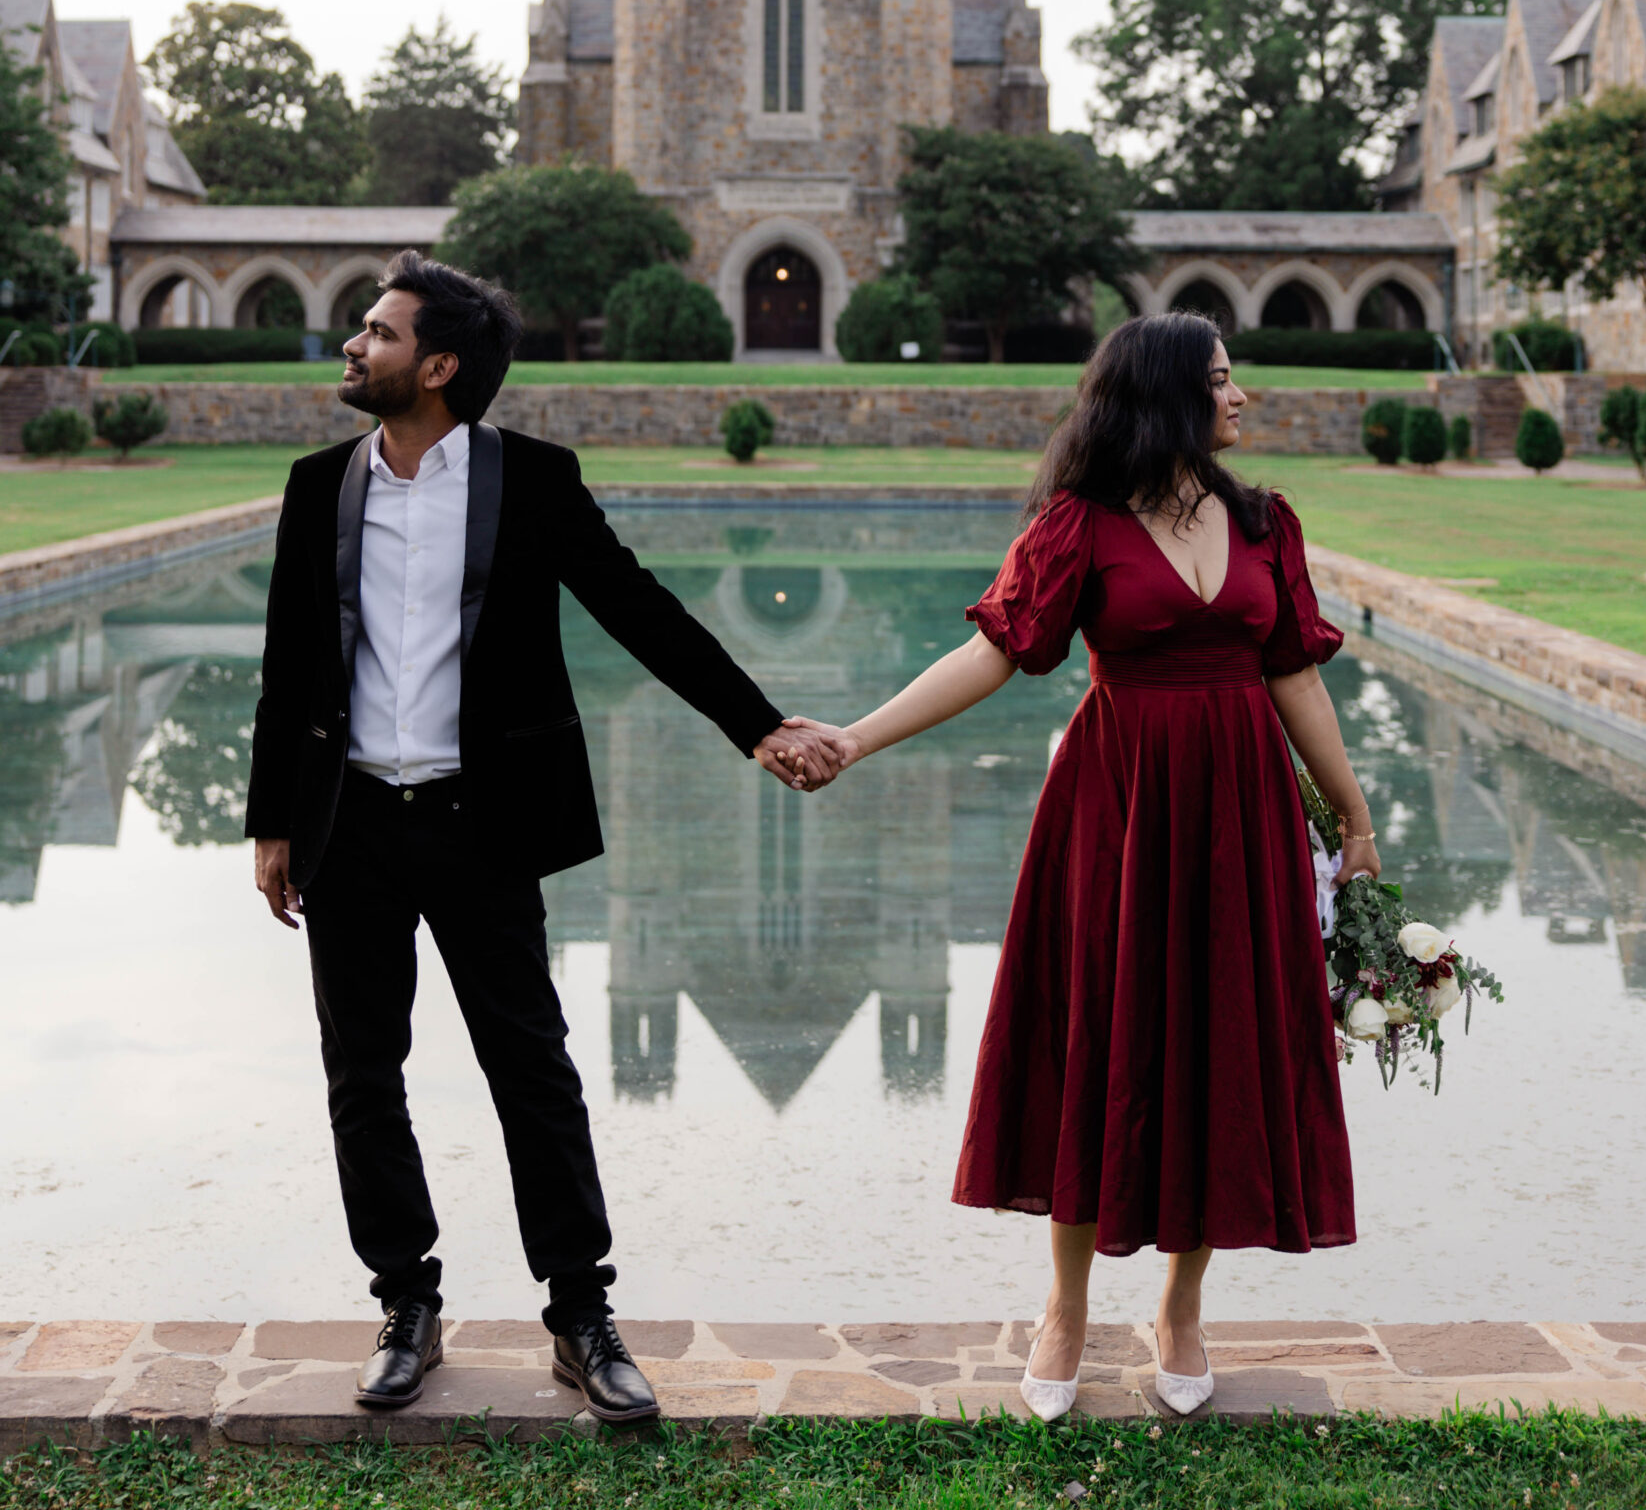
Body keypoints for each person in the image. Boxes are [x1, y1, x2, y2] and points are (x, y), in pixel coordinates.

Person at [245, 251, 840, 1421]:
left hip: (483, 821)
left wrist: (757, 726)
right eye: (361, 328)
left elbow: (641, 608)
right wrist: (272, 820)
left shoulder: (534, 481)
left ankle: (581, 1312)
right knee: (364, 1076)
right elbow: (287, 663)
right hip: (350, 820)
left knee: (534, 1069)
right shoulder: (320, 483)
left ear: (441, 366)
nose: (355, 345)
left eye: (378, 330)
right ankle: (405, 1304)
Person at [818, 312, 1375, 1421]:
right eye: (1222, 382)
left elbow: (1294, 674)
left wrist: (1352, 816)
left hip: (1242, 813)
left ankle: (1181, 1305)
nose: (1241, 400)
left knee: (1221, 1041)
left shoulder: (1266, 522)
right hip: (1117, 814)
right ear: (1170, 394)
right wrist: (855, 736)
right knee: (1100, 1039)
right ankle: (1065, 1306)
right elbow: (994, 650)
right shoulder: (1079, 523)